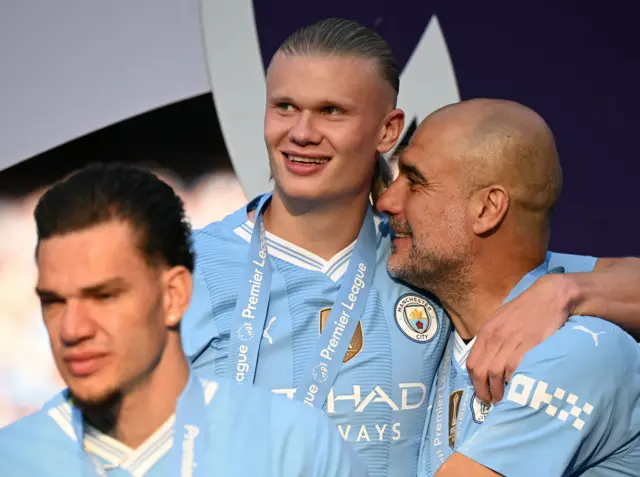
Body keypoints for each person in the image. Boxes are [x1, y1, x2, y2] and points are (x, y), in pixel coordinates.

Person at [183, 18, 640, 477]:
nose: (301, 132)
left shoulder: (419, 255)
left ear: (388, 130)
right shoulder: (183, 268)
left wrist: (564, 293)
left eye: (331, 111)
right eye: (284, 106)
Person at [0, 163, 366, 477]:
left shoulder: (293, 446)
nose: (72, 329)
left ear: (174, 295)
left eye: (104, 296)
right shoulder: (16, 460)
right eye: (53, 302)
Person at [377, 98, 640, 476]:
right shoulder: (442, 322)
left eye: (415, 182)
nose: (386, 200)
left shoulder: (576, 350)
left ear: (487, 209)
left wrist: (565, 291)